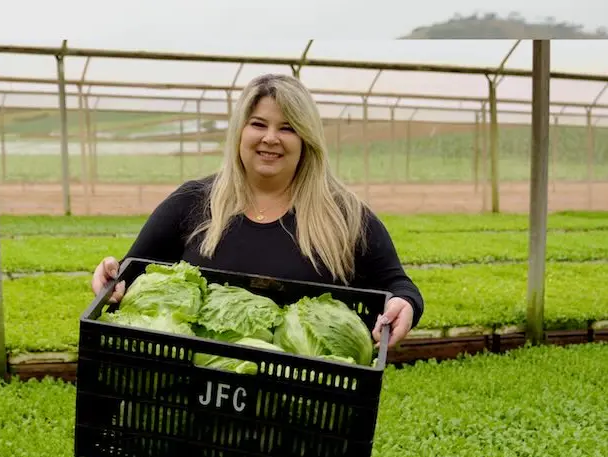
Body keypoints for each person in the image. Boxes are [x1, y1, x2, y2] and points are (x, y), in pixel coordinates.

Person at [90, 73, 423, 349]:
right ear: (240, 132)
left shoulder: (345, 215)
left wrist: (404, 304)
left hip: (304, 399)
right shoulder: (193, 202)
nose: (270, 138)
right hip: (192, 396)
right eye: (258, 124)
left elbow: (398, 285)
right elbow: (127, 276)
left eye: (287, 128)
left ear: (307, 138)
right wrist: (110, 276)